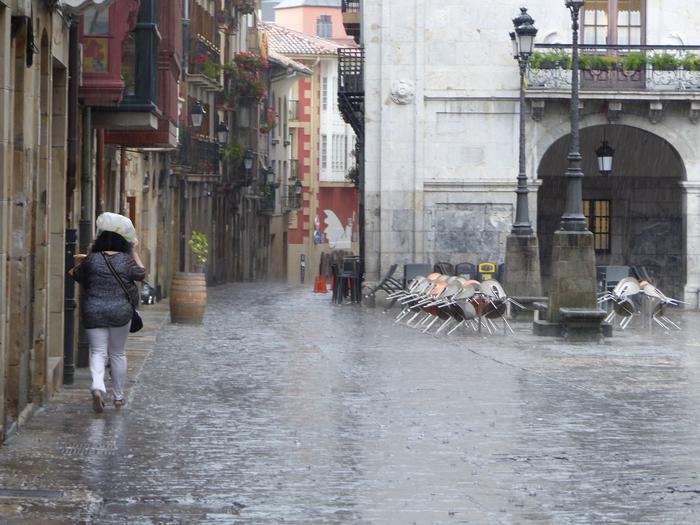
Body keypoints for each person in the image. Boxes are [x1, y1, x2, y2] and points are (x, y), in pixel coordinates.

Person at [73, 221, 145, 412]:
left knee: (97, 351)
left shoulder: (92, 260)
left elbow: (77, 275)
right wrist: (134, 251)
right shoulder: (125, 260)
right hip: (120, 311)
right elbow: (141, 274)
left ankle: (98, 385)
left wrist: (89, 254)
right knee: (117, 353)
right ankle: (119, 397)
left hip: (94, 310)